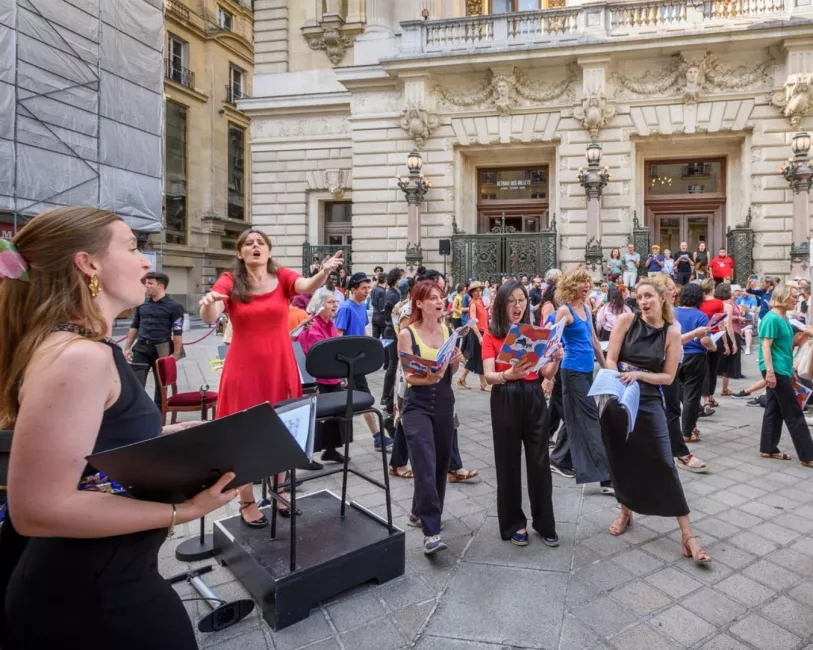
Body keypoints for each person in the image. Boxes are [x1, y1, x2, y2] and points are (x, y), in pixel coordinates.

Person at [0, 207, 239, 649]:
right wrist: (183, 513)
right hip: (90, 599)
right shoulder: (78, 357)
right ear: (88, 264)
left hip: (101, 579)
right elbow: (36, 509)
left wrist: (167, 439)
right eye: (132, 247)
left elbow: (95, 447)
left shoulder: (83, 347)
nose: (146, 261)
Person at [200, 229, 342, 526]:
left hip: (280, 366)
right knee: (244, 435)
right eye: (249, 243)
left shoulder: (283, 277)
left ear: (268, 250)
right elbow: (211, 316)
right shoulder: (230, 280)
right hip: (243, 369)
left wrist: (324, 273)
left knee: (283, 428)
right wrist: (209, 303)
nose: (255, 246)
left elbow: (306, 284)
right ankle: (247, 500)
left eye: (260, 243)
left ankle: (279, 489)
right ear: (240, 253)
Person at [601, 278, 710, 564]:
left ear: (662, 298)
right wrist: (620, 383)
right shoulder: (626, 320)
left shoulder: (672, 332)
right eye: (639, 297)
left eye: (649, 295)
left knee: (664, 461)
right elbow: (610, 359)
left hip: (648, 400)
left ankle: (688, 534)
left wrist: (639, 376)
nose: (644, 301)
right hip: (620, 396)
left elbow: (668, 377)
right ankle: (625, 511)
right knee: (623, 458)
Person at [483, 280, 562, 547]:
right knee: (508, 462)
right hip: (505, 394)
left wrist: (556, 357)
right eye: (512, 301)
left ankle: (544, 522)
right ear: (501, 304)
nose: (518, 306)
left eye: (522, 300)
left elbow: (545, 373)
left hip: (533, 395)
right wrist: (508, 374)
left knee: (539, 460)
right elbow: (488, 376)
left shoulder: (534, 333)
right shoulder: (491, 334)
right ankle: (513, 523)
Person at [398, 280, 464, 555]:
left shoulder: (449, 330)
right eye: (432, 298)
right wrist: (430, 375)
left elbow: (452, 370)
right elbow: (408, 376)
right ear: (419, 303)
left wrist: (456, 359)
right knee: (424, 462)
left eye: (441, 297)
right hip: (417, 404)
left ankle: (418, 511)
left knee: (439, 464)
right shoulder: (407, 334)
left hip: (444, 402)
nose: (439, 302)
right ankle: (431, 531)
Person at [554, 268, 613, 493]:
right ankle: (606, 477)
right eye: (581, 282)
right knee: (590, 420)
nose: (586, 285)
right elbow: (551, 343)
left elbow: (596, 342)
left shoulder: (587, 307)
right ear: (571, 285)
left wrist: (607, 370)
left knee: (574, 416)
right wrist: (548, 377)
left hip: (588, 370)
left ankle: (559, 459)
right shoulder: (564, 311)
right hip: (571, 372)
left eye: (588, 281)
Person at [335, 272, 393, 452]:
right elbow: (338, 337)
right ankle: (377, 437)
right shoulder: (346, 308)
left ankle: (333, 444)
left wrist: (372, 346)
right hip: (349, 363)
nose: (367, 291)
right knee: (364, 398)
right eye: (363, 288)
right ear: (353, 289)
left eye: (368, 288)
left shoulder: (361, 307)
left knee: (352, 401)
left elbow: (363, 332)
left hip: (358, 361)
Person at [758, 283, 813, 468]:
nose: (796, 299)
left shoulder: (783, 318)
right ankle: (808, 455)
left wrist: (790, 371)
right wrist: (771, 372)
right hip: (775, 369)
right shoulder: (772, 318)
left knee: (774, 408)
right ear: (782, 297)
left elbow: (784, 349)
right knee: (794, 412)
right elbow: (766, 346)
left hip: (782, 369)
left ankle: (768, 447)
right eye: (793, 296)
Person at [297, 289, 345, 463]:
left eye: (335, 302)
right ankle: (306, 457)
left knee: (337, 413)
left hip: (332, 375)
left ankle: (330, 450)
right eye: (330, 302)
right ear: (319, 305)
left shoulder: (329, 324)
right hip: (317, 378)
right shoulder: (312, 326)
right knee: (316, 417)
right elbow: (315, 354)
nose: (335, 305)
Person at [123, 271, 185, 405]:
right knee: (136, 383)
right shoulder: (141, 304)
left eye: (150, 283)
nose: (146, 286)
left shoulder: (175, 306)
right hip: (141, 347)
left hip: (162, 348)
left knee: (161, 385)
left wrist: (175, 354)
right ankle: (137, 411)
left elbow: (178, 331)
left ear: (161, 286)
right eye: (146, 283)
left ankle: (159, 415)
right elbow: (135, 326)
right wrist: (127, 347)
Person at [675, 282, 717, 445]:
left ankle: (690, 428)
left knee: (680, 390)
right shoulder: (701, 316)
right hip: (695, 357)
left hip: (676, 356)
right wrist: (713, 347)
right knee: (691, 396)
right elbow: (705, 340)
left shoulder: (672, 313)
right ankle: (687, 431)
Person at [699, 277, 727, 414]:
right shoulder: (718, 303)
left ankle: (704, 398)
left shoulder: (698, 303)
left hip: (701, 336)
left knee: (704, 369)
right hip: (716, 337)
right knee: (713, 368)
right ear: (712, 288)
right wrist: (727, 343)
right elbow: (722, 323)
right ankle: (710, 396)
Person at [380, 268, 403, 421]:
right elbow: (391, 312)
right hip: (391, 330)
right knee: (393, 365)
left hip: (391, 329)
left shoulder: (394, 292)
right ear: (396, 279)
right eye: (401, 277)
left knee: (392, 364)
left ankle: (386, 395)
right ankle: (386, 395)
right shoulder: (392, 294)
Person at [458, 282, 489, 392]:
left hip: (482, 332)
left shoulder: (480, 302)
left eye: (480, 290)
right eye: (476, 290)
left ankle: (463, 379)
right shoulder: (473, 304)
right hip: (476, 333)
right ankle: (482, 383)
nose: (478, 292)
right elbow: (473, 322)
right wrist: (480, 337)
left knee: (476, 357)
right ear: (471, 292)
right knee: (478, 357)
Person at [719, 284, 743, 395]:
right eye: (736, 291)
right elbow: (727, 323)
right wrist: (732, 342)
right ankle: (724, 389)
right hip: (731, 332)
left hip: (735, 330)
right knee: (727, 361)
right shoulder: (727, 304)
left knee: (728, 361)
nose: (739, 292)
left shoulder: (733, 303)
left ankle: (725, 388)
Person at [736, 286, 758, 354]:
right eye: (742, 292)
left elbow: (753, 310)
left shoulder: (753, 300)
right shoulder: (740, 299)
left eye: (745, 292)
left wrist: (743, 329)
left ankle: (748, 348)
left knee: (748, 330)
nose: (743, 293)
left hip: (746, 326)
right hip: (738, 328)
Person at [370, 272, 388, 341]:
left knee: (374, 339)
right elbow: (382, 307)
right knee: (385, 340)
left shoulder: (374, 289)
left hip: (374, 315)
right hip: (381, 317)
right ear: (385, 280)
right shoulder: (382, 291)